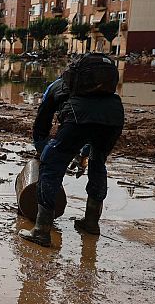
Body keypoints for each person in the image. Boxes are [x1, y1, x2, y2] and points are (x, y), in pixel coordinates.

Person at [22, 53, 124, 247]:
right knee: (98, 162)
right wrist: (84, 154)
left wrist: (42, 151)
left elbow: (41, 125)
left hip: (79, 118)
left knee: (52, 166)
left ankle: (41, 230)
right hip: (114, 117)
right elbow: (93, 131)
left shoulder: (55, 87)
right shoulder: (102, 88)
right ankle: (91, 223)